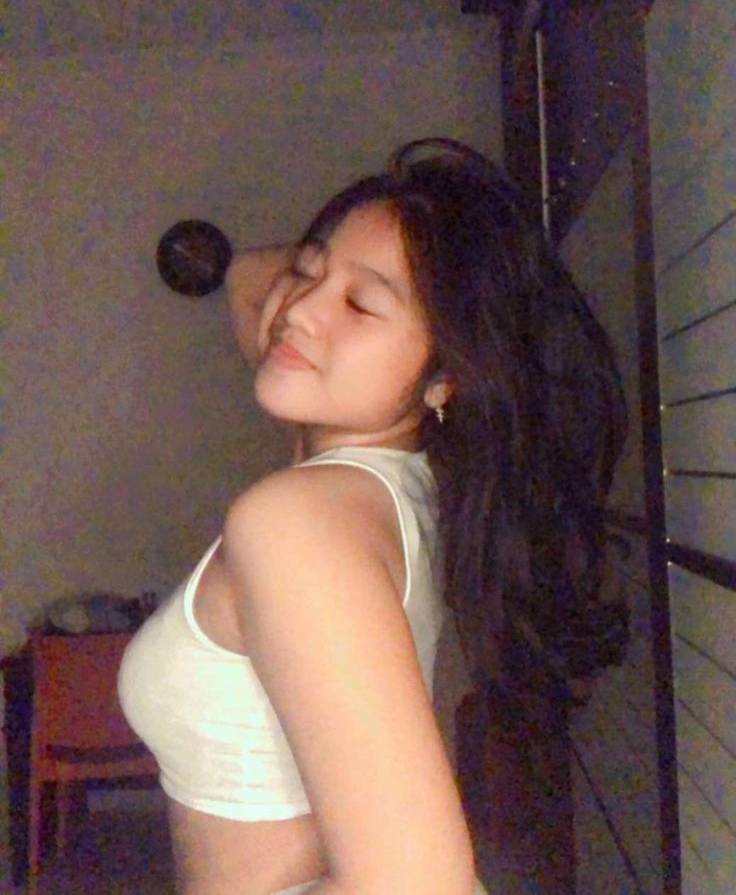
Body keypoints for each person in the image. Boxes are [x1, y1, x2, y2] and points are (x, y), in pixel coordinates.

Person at [118, 138, 627, 894]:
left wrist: (357, 250)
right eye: (308, 272)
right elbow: (251, 277)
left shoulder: (297, 520)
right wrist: (386, 230)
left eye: (361, 305)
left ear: (447, 374)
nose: (297, 310)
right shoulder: (402, 482)